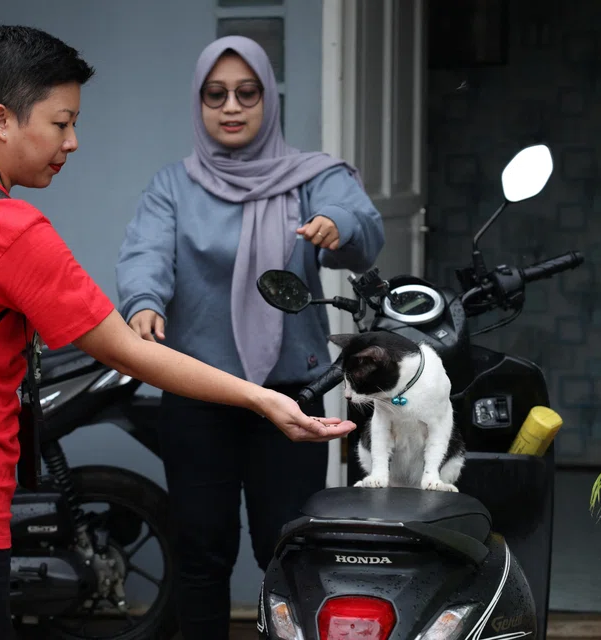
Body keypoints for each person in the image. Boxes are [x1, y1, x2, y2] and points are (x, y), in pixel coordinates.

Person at [0, 25, 356, 640]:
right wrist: (262, 399)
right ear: (1, 120)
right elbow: (127, 351)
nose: (72, 141)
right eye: (61, 123)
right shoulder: (7, 227)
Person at [115, 35, 385, 638]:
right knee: (200, 548)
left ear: (268, 99)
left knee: (286, 550)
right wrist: (143, 304)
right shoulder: (173, 187)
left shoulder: (312, 178)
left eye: (246, 93)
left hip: (294, 395)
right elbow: (145, 254)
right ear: (199, 103)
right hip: (197, 393)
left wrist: (336, 223)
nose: (231, 107)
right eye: (215, 95)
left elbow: (363, 229)